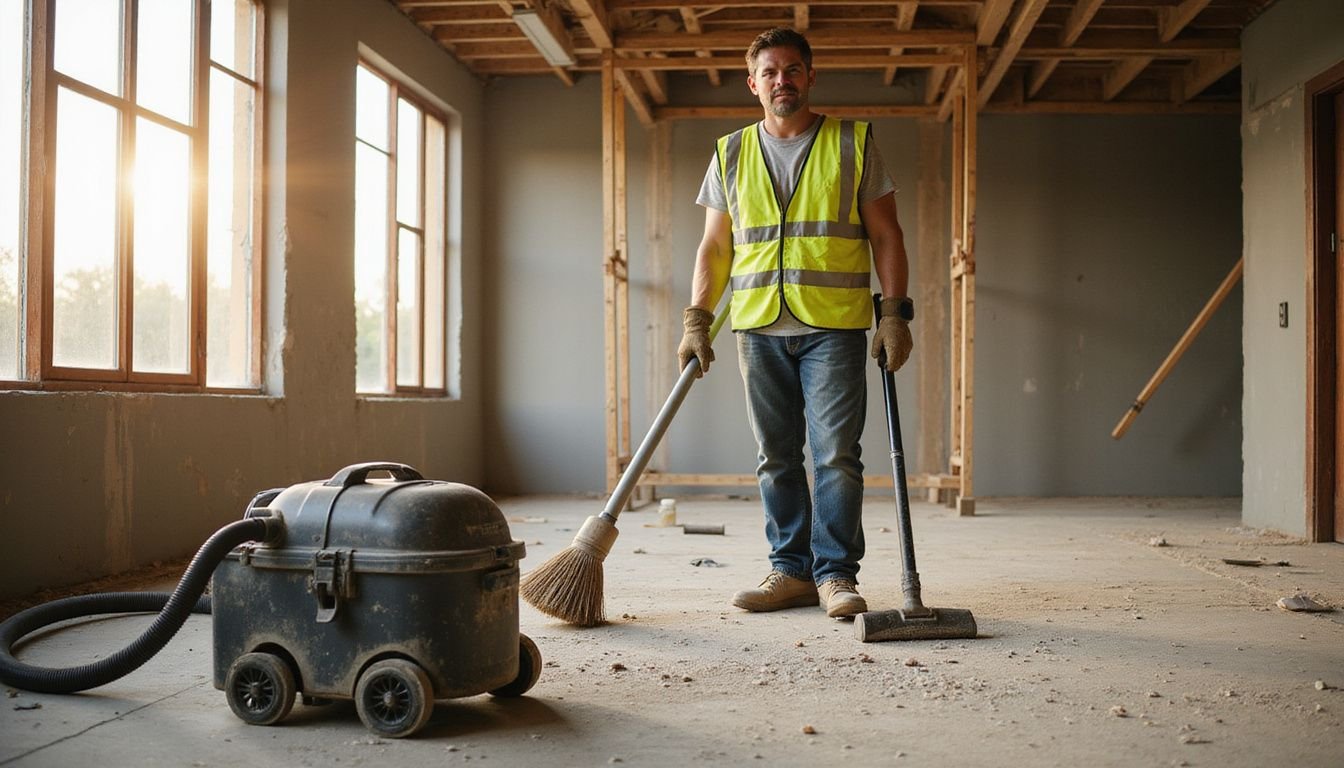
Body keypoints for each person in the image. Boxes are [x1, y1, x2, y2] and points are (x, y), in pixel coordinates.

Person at [677, 27, 914, 619]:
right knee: (775, 455)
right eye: (770, 71)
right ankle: (790, 571)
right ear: (752, 82)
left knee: (836, 454)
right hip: (758, 326)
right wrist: (696, 320)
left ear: (810, 77)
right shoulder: (730, 152)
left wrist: (894, 315)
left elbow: (887, 233)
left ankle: (835, 574)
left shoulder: (851, 143)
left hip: (833, 325)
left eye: (793, 69)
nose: (782, 80)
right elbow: (714, 246)